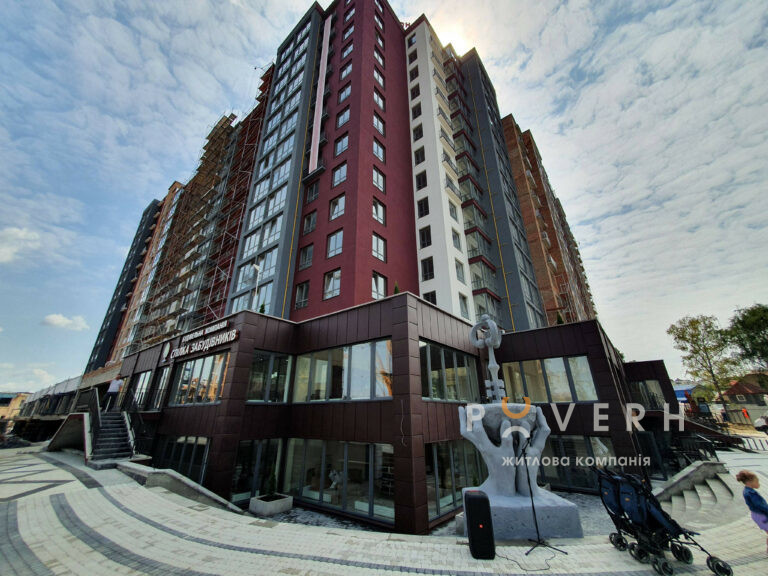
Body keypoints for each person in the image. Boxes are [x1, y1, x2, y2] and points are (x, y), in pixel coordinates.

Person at [735, 469, 768, 553]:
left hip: (757, 515)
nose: (758, 484)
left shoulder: (747, 491)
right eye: (757, 481)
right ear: (750, 482)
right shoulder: (751, 493)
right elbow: (760, 505)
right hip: (762, 516)